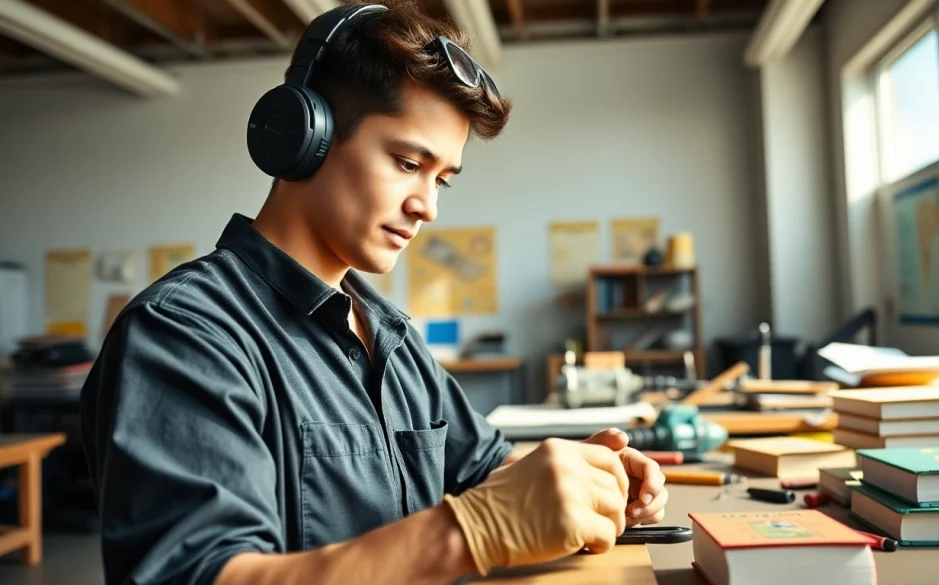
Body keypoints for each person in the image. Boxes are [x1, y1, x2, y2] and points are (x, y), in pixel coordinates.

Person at [79, 2, 668, 585]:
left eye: (441, 179)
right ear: (304, 136)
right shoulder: (184, 333)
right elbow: (198, 576)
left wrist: (590, 477)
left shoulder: (391, 337)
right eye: (408, 162)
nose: (428, 206)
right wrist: (471, 532)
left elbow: (486, 469)